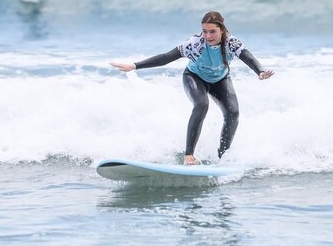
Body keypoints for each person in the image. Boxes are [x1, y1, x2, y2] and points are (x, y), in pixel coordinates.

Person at [110, 11, 274, 165]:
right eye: (205, 31)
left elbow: (248, 58)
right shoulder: (195, 43)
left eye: (212, 31)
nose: (208, 36)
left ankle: (223, 156)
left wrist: (259, 71)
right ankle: (188, 155)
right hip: (194, 77)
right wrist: (135, 65)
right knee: (201, 105)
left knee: (233, 113)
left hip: (221, 79)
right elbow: (167, 57)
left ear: (222, 30)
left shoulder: (231, 43)